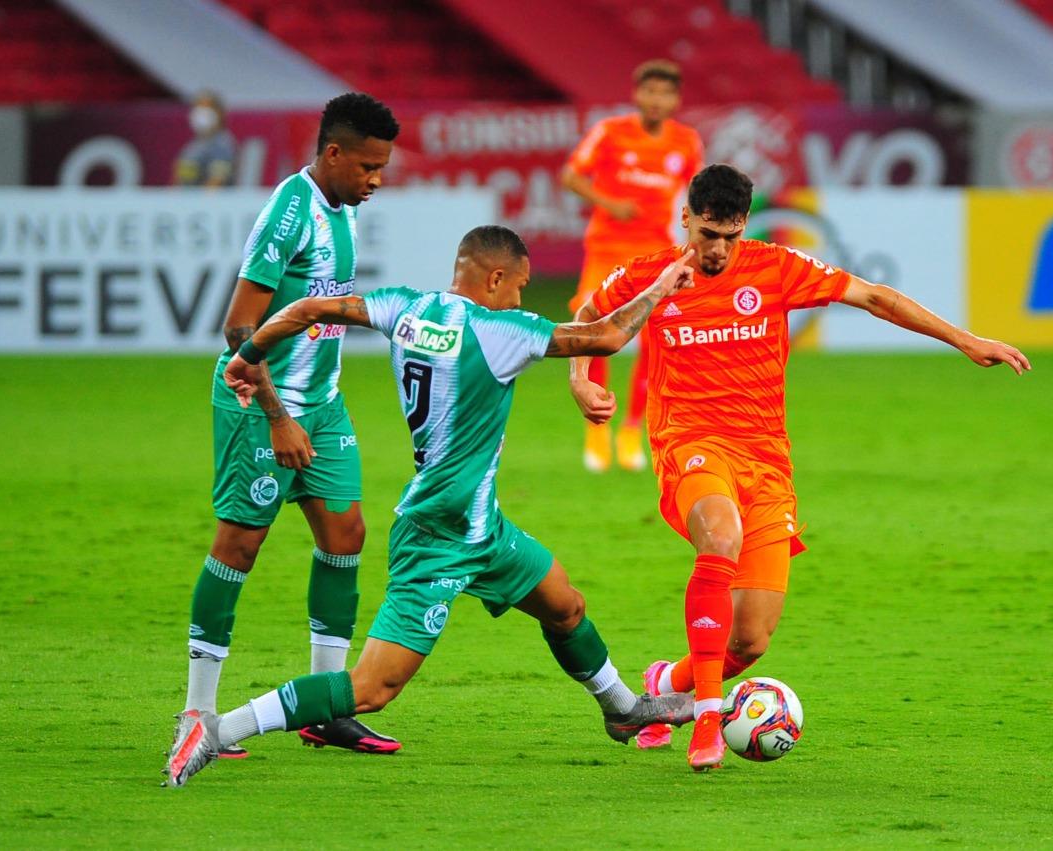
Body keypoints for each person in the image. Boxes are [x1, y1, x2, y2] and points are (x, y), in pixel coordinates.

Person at [164, 226, 698, 787]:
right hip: (438, 535)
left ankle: (622, 709)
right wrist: (661, 286)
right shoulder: (497, 329)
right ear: (495, 278)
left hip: (483, 527)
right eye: (519, 286)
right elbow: (606, 336)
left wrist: (248, 355)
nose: (521, 297)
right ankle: (217, 730)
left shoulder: (405, 307)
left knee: (564, 607)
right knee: (371, 688)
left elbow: (308, 308)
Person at [570, 164, 1031, 771]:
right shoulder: (651, 275)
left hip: (766, 459)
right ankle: (707, 717)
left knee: (750, 640)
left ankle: (665, 686)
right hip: (689, 442)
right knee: (720, 536)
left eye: (730, 237)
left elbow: (875, 297)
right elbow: (588, 314)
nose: (717, 250)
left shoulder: (777, 268)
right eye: (707, 234)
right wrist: (580, 379)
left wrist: (966, 340)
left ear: (744, 226)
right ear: (686, 218)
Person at [181, 92, 401, 759]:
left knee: (346, 532)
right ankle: (196, 715)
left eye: (382, 167)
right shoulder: (290, 212)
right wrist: (279, 418)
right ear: (332, 153)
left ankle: (325, 706)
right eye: (367, 166)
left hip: (323, 403)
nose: (376, 179)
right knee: (239, 546)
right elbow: (239, 327)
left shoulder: (345, 206)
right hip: (259, 402)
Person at [561, 59, 703, 472]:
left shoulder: (686, 141)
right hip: (607, 247)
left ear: (676, 100)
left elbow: (696, 194)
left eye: (665, 93)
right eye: (650, 91)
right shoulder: (610, 132)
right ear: (637, 94)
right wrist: (609, 203)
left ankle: (631, 429)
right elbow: (571, 176)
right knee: (594, 330)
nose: (657, 100)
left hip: (655, 251)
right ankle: (597, 428)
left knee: (655, 340)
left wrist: (694, 242)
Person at [173, 90, 238, 188]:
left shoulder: (222, 144)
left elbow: (216, 183)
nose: (202, 112)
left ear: (219, 113)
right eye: (198, 107)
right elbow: (179, 180)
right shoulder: (193, 145)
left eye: (207, 107)